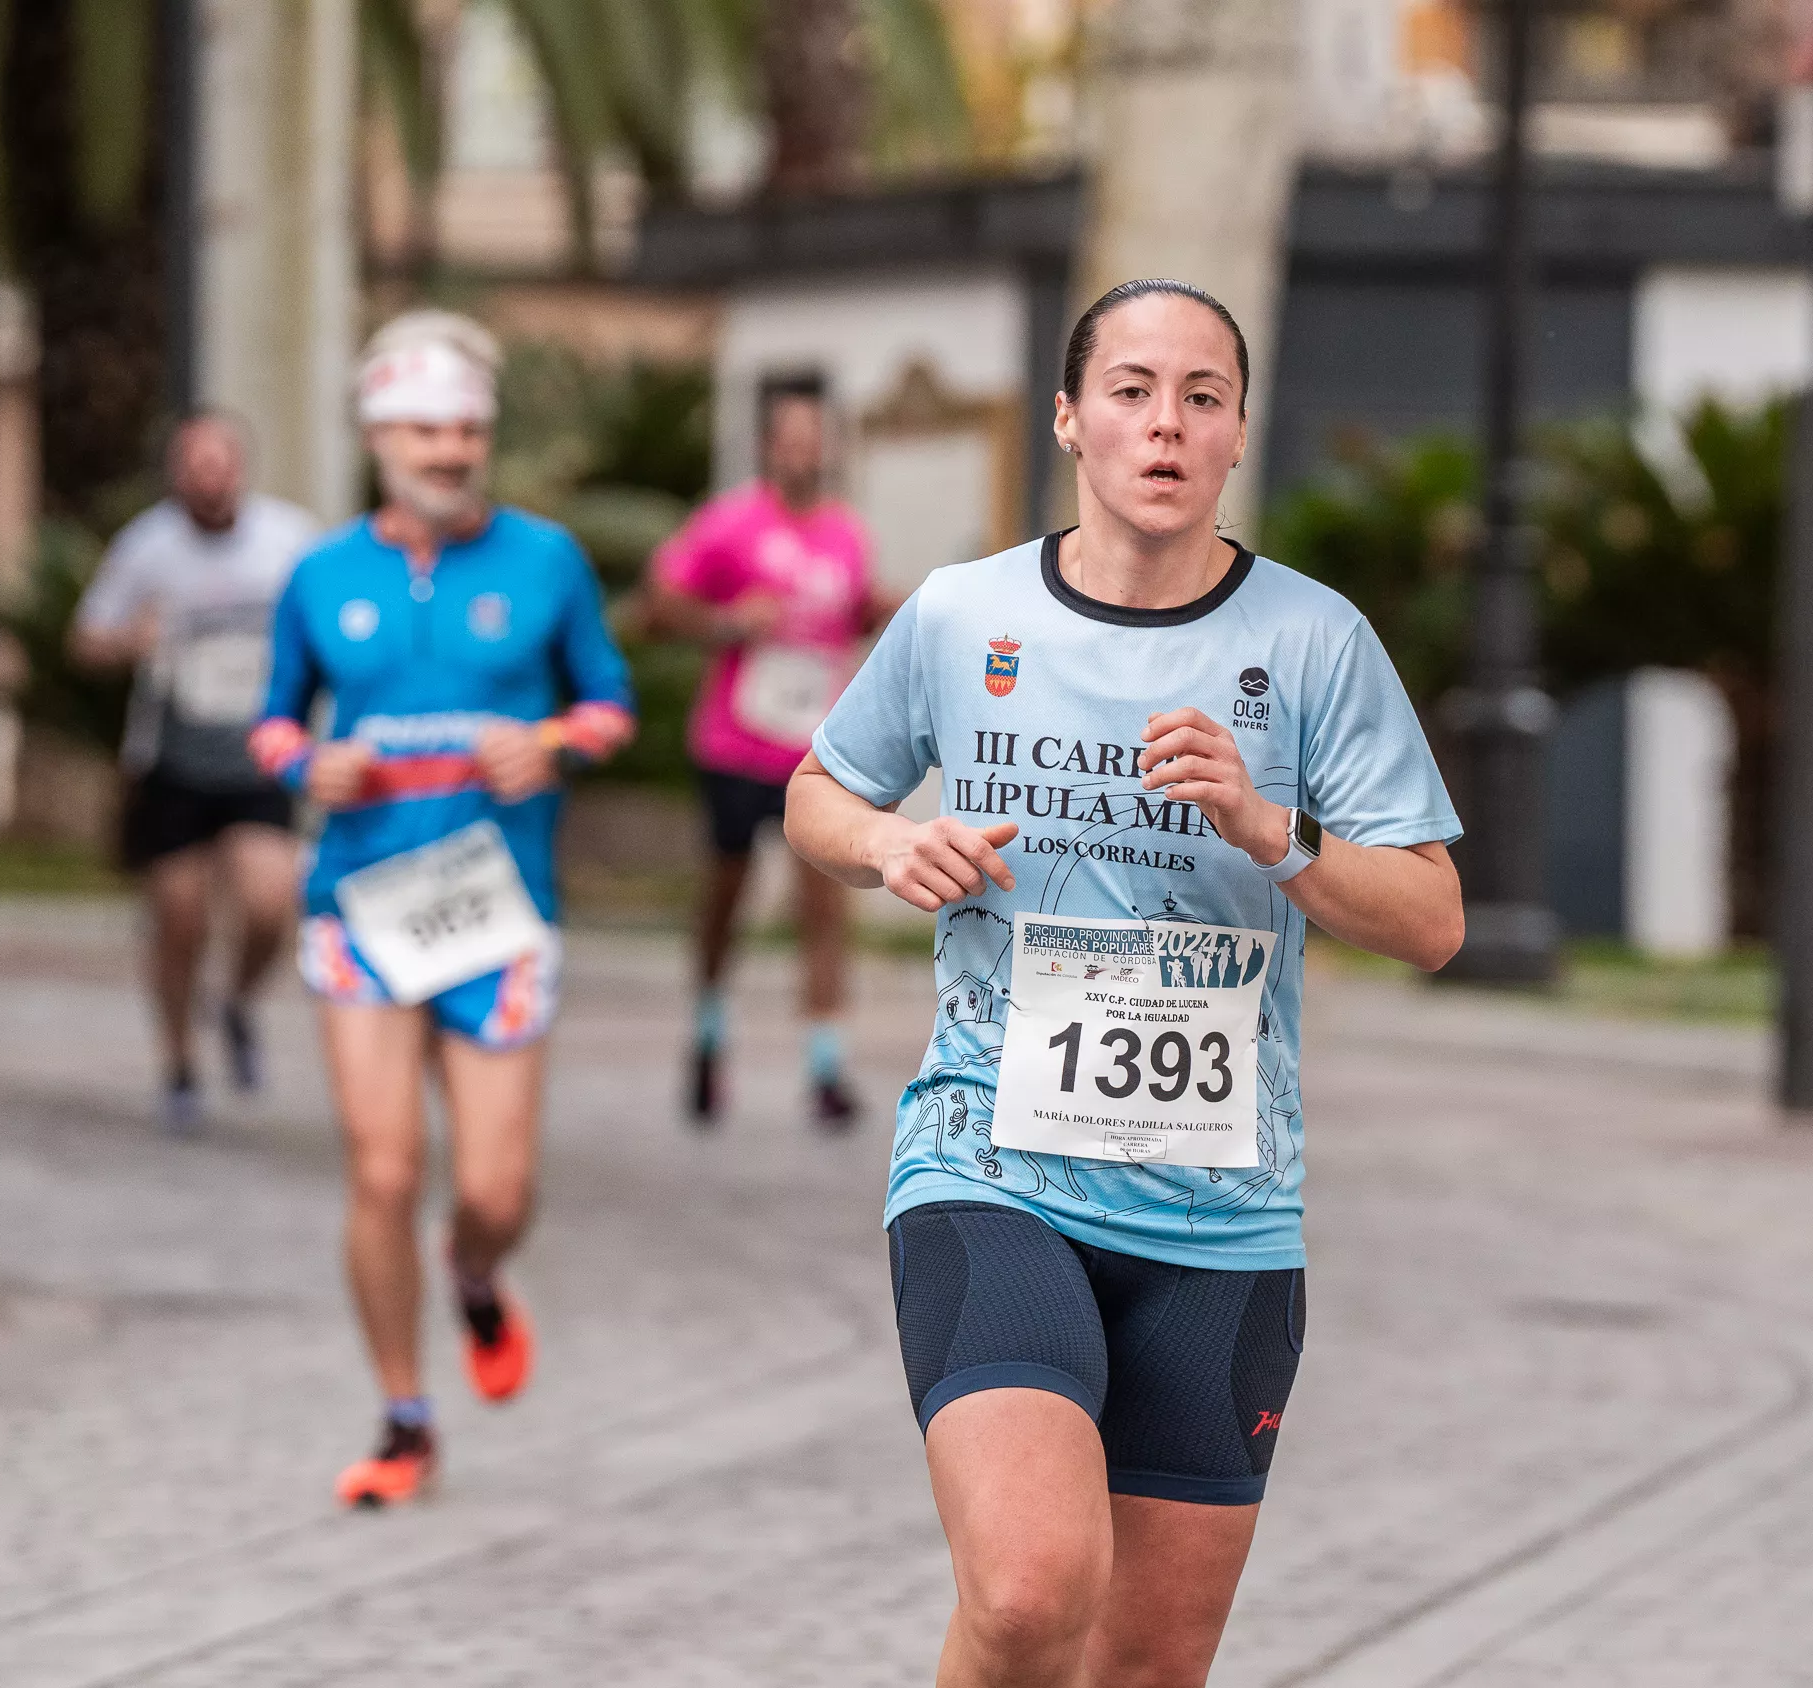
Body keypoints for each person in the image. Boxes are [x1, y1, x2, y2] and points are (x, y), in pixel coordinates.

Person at [784, 279, 1465, 1686]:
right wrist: (889, 842)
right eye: (1135, 391)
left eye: (1202, 397)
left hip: (1220, 1214)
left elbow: (1433, 919)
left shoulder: (1315, 644)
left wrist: (1272, 831)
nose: (1167, 424)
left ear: (1235, 436)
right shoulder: (960, 618)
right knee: (1034, 1592)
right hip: (992, 1165)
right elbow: (816, 792)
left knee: (1149, 1666)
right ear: (1071, 420)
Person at [245, 310, 637, 1509]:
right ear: (378, 435)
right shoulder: (321, 576)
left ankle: (472, 1273)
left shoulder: (548, 561)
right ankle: (405, 1418)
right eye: (426, 427)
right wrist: (303, 765)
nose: (452, 448)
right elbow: (271, 722)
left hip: (496, 912)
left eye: (468, 427)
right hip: (359, 907)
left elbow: (611, 705)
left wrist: (556, 742)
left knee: (493, 1193)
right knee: (382, 1169)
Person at [647, 372, 892, 1129]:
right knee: (726, 896)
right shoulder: (729, 525)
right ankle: (708, 1033)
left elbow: (851, 615)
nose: (803, 451)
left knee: (824, 903)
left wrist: (903, 610)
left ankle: (825, 1068)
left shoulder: (847, 532)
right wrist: (724, 623)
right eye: (790, 438)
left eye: (815, 438)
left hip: (815, 752)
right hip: (733, 742)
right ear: (767, 447)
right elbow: (657, 607)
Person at [70, 412, 323, 1134]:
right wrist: (128, 637)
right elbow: (86, 640)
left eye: (222, 462)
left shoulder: (290, 540)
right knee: (178, 918)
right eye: (194, 464)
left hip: (257, 755)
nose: (209, 477)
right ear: (176, 474)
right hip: (173, 757)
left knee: (272, 899)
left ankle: (237, 1002)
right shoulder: (147, 547)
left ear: (242, 467)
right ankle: (180, 1063)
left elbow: (334, 625)